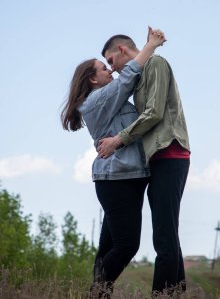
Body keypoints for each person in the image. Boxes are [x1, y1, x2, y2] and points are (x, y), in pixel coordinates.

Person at [61, 28, 165, 299]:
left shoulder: (103, 99)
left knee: (107, 246)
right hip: (117, 179)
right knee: (126, 245)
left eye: (108, 65)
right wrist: (150, 46)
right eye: (102, 68)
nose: (109, 70)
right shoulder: (96, 100)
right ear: (92, 80)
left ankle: (99, 295)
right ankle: (95, 294)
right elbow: (127, 78)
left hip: (123, 177)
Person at [98, 29, 190, 296]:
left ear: (122, 50)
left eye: (111, 61)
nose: (112, 70)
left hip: (170, 154)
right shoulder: (138, 78)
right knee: (167, 234)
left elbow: (154, 113)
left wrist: (118, 140)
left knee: (163, 237)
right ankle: (175, 294)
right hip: (157, 160)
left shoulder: (156, 64)